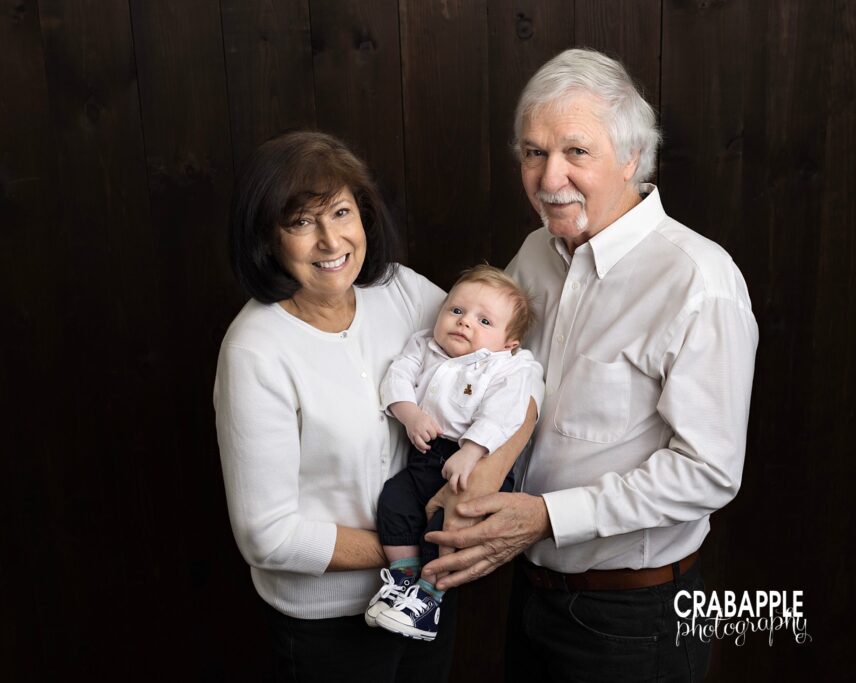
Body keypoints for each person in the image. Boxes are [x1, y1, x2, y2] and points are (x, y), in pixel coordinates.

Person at [422, 48, 759, 682]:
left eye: (577, 152)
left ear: (633, 157)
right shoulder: (533, 254)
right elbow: (506, 384)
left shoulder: (697, 281)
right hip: (530, 590)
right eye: (532, 152)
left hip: (637, 617)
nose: (549, 179)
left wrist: (548, 516)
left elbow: (711, 471)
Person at [214, 131, 538, 683]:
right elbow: (266, 535)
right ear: (267, 238)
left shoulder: (400, 291)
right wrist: (415, 546)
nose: (329, 239)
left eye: (341, 212)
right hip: (329, 625)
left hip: (430, 600)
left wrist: (488, 472)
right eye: (300, 222)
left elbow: (520, 375)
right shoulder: (255, 351)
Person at [367, 265, 543, 641]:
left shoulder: (505, 368)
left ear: (508, 343)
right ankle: (403, 581)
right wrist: (409, 412)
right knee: (394, 502)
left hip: (474, 461)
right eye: (457, 310)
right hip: (424, 455)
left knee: (444, 530)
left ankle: (429, 600)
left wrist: (473, 451)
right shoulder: (423, 345)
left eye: (484, 320)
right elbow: (397, 377)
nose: (465, 323)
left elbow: (504, 414)